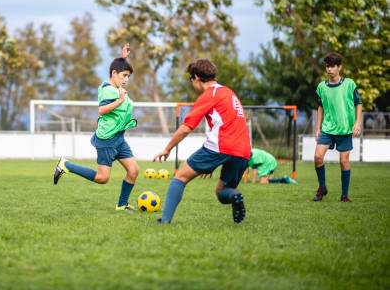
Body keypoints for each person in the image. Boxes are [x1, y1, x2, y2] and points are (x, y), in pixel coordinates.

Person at [153, 58, 251, 224]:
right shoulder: (228, 92)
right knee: (222, 192)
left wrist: (167, 148)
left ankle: (165, 220)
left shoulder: (209, 94)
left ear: (196, 78)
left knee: (180, 177)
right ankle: (235, 196)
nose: (192, 84)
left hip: (220, 146)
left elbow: (186, 127)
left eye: (191, 80)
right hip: (243, 150)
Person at [53, 44, 140, 210]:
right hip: (107, 139)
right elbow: (102, 110)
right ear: (114, 74)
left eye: (128, 76)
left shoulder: (116, 86)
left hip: (119, 138)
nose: (127, 79)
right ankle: (66, 165)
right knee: (102, 178)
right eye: (125, 75)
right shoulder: (108, 91)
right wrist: (120, 101)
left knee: (133, 170)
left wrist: (123, 59)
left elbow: (118, 71)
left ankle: (122, 205)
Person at [313, 52, 362, 202]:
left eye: (333, 66)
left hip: (345, 128)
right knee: (317, 156)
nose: (329, 69)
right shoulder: (321, 87)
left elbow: (358, 103)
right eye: (327, 66)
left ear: (339, 67)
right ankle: (322, 187)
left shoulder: (349, 84)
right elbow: (320, 107)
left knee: (343, 161)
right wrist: (318, 128)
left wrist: (357, 123)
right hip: (327, 128)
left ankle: (344, 195)